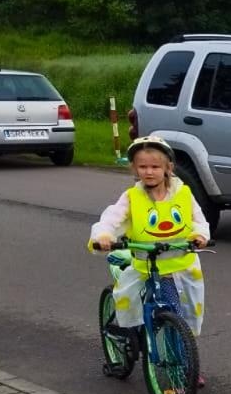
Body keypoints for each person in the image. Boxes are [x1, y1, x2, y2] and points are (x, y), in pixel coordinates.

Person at [89, 135, 209, 369]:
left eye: (155, 166)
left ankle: (185, 365)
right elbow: (112, 218)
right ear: (134, 168)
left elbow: (198, 220)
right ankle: (130, 335)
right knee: (129, 302)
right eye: (142, 166)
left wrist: (200, 236)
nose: (149, 172)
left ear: (168, 168)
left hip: (181, 266)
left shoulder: (183, 194)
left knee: (181, 315)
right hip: (145, 265)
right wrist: (103, 236)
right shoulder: (132, 197)